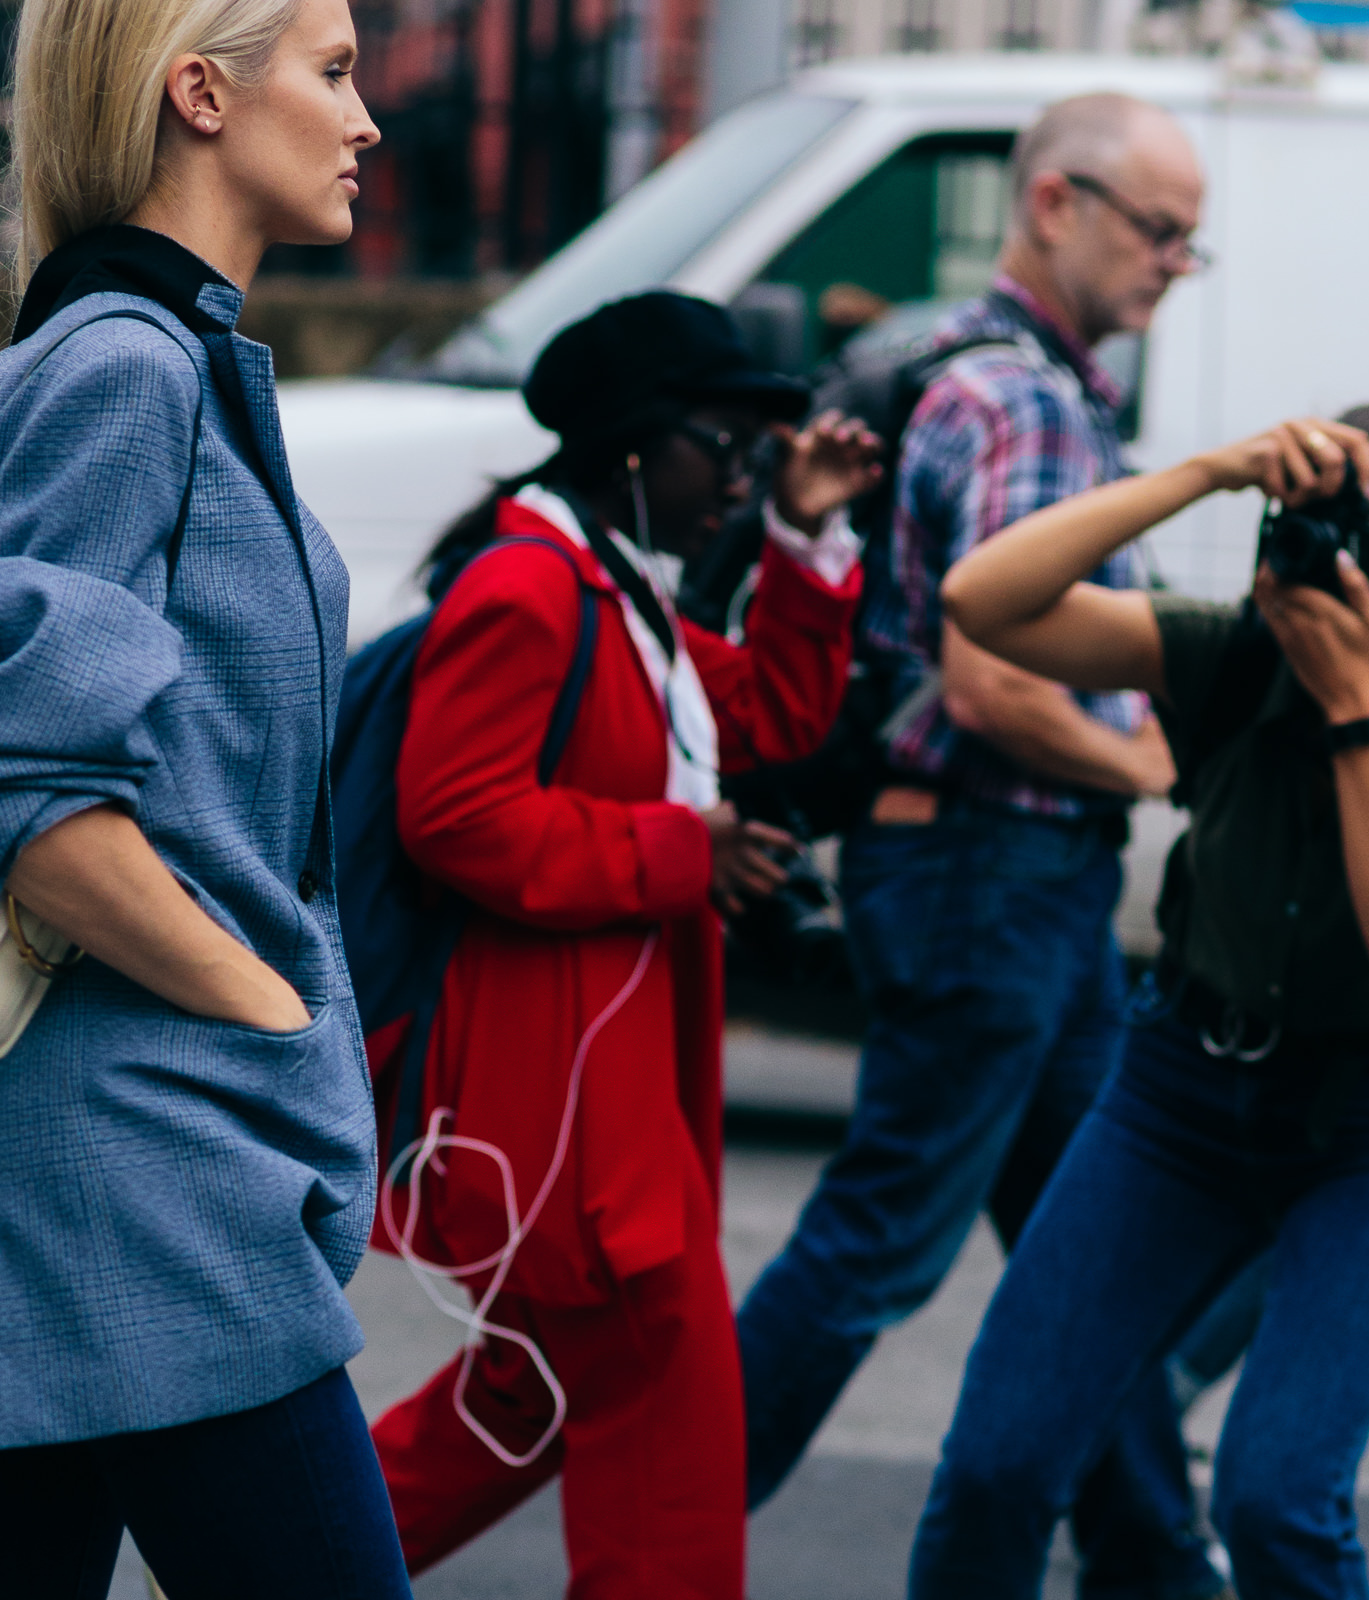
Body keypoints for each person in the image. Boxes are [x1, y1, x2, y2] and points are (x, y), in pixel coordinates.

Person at [0, 3, 410, 1597]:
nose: (368, 117)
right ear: (201, 92)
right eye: (332, 70)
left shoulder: (141, 363)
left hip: (59, 1170)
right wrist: (266, 1013)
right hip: (144, 1180)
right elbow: (33, 804)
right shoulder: (127, 376)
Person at [728, 91, 1225, 1597]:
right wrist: (1143, 756)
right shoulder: (1018, 400)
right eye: (1159, 230)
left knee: (1094, 1248)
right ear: (1056, 202)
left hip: (1018, 885)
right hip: (983, 871)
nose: (1170, 265)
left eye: (1190, 244)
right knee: (881, 1238)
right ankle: (669, 1527)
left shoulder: (1012, 378)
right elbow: (994, 675)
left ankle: (1154, 1562)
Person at [365, 291, 882, 1599]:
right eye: (732, 446)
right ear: (641, 446)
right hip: (569, 1110)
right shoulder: (530, 587)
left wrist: (803, 531)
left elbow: (769, 714)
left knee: (524, 1400)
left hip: (602, 1088)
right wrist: (680, 851)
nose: (743, 476)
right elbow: (457, 817)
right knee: (672, 1450)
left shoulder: (614, 590)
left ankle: (257, 1560)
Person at [911, 404, 1369, 1599]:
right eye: (1311, 532)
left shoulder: (1332, 678)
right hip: (1180, 1090)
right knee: (996, 1468)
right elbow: (985, 601)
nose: (1329, 569)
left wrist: (1358, 707)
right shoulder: (1238, 645)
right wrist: (1210, 471)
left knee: (1277, 1498)